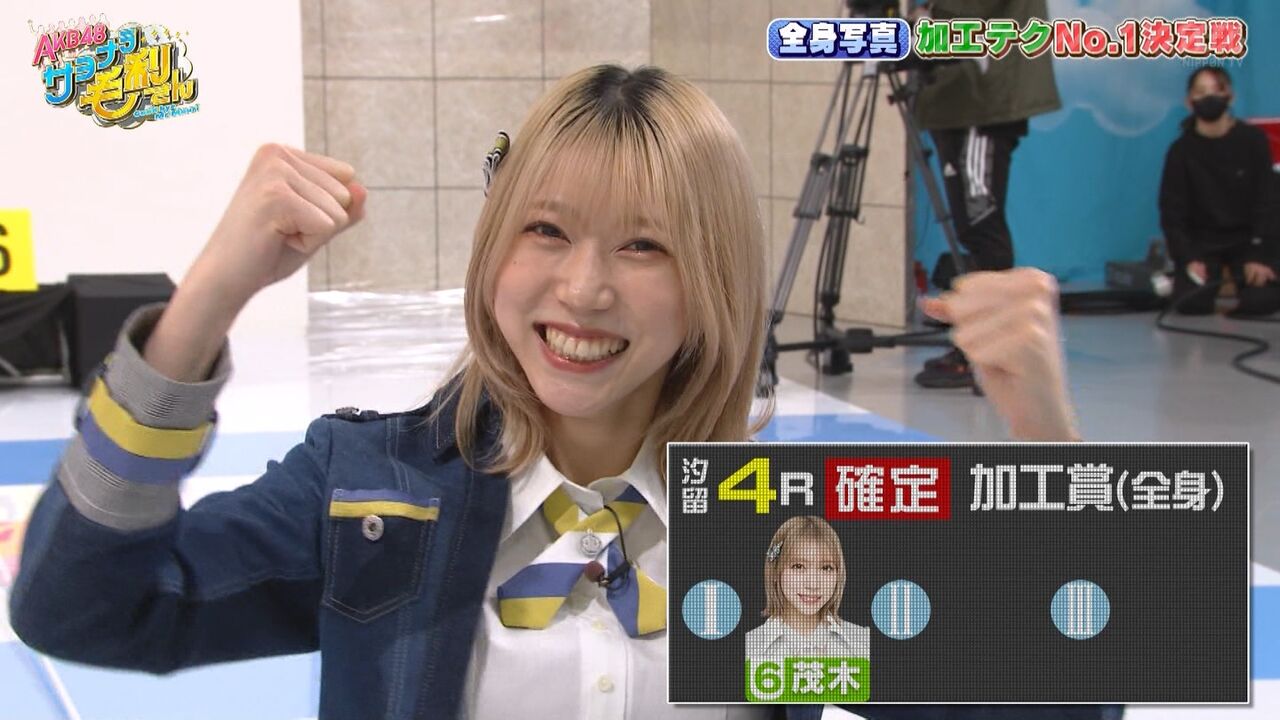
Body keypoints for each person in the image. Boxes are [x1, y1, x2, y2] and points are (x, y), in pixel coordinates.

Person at [9, 65, 1080, 720]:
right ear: (495, 251)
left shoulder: (776, 525)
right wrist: (203, 304)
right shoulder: (373, 492)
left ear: (712, 278)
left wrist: (1048, 443)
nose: (584, 289)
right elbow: (84, 610)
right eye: (547, 230)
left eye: (645, 244)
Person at [908, 0, 1063, 389]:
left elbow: (967, 11)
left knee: (981, 223)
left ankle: (993, 354)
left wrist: (924, 20)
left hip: (984, 100)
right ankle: (982, 347)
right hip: (958, 98)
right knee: (971, 225)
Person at [1160, 64, 1280, 317]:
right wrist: (1188, 258)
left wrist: (1261, 255)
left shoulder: (1253, 140)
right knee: (1190, 304)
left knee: (1262, 301)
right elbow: (1172, 213)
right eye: (1201, 92)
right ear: (1189, 102)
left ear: (1230, 97)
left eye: (1217, 90)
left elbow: (1268, 201)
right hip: (1203, 243)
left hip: (1248, 240)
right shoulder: (1180, 152)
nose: (1209, 97)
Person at [745, 516, 869, 663]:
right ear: (775, 572)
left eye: (826, 568)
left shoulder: (863, 642)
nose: (813, 584)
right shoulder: (749, 647)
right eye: (798, 566)